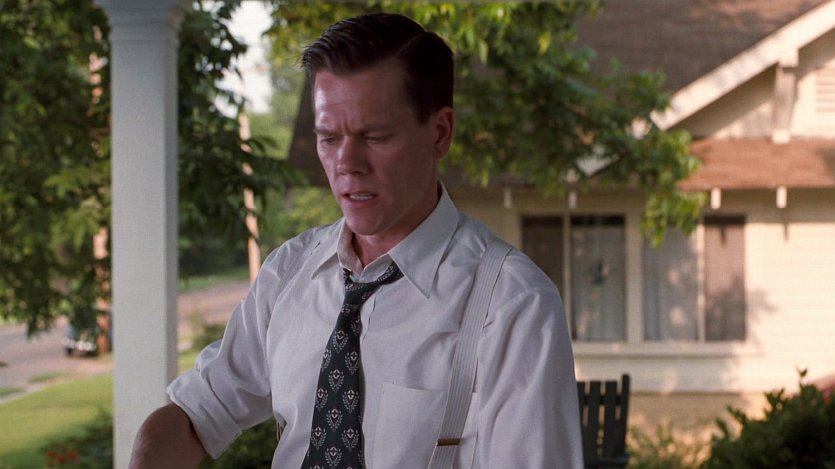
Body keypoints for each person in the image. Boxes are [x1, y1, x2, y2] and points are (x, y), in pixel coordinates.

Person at [130, 12, 582, 469]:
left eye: (375, 136)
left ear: (440, 133)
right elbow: (192, 416)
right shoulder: (288, 273)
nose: (347, 164)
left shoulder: (512, 306)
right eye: (329, 138)